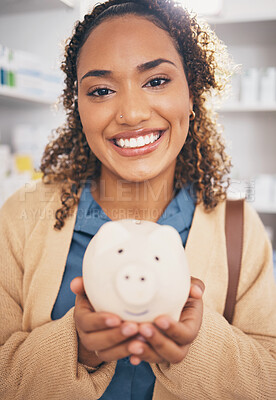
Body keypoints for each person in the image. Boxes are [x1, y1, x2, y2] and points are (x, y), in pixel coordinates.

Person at [0, 0, 275, 399]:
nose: (131, 113)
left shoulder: (238, 225)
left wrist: (197, 344)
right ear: (79, 108)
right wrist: (77, 348)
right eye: (101, 90)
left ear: (192, 91)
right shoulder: (22, 216)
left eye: (156, 81)